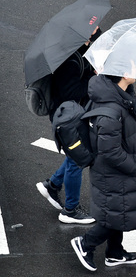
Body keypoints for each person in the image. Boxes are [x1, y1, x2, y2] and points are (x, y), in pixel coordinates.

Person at [71, 63, 136, 272]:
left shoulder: (116, 94)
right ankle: (85, 244)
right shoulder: (110, 110)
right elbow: (109, 151)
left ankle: (115, 253)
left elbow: (126, 118)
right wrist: (135, 166)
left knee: (120, 211)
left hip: (114, 173)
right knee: (114, 216)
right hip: (114, 173)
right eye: (135, 68)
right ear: (125, 74)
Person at [36, 27, 101, 224]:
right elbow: (71, 92)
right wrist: (94, 78)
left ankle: (53, 185)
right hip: (66, 118)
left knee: (77, 155)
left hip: (74, 113)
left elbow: (98, 44)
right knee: (77, 160)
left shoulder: (81, 49)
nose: (96, 32)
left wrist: (94, 37)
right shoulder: (69, 61)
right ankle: (70, 210)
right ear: (83, 37)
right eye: (93, 32)